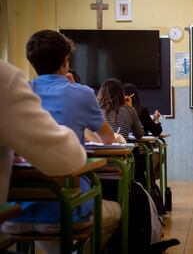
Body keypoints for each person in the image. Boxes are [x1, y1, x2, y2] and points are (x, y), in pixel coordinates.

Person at [2, 30, 120, 253]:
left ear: (32, 62)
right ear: (66, 61)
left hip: (15, 211)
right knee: (115, 212)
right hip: (67, 205)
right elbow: (108, 138)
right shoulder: (83, 93)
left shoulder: (20, 92)